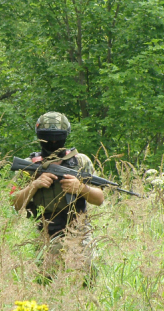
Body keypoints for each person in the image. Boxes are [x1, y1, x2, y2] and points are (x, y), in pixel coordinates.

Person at [11, 112, 104, 280]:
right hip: (44, 233)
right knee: (46, 283)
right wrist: (35, 185)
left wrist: (80, 188)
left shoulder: (80, 161)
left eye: (57, 137)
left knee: (84, 282)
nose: (53, 142)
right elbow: (14, 203)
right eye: (48, 138)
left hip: (79, 233)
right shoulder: (29, 165)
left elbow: (99, 199)